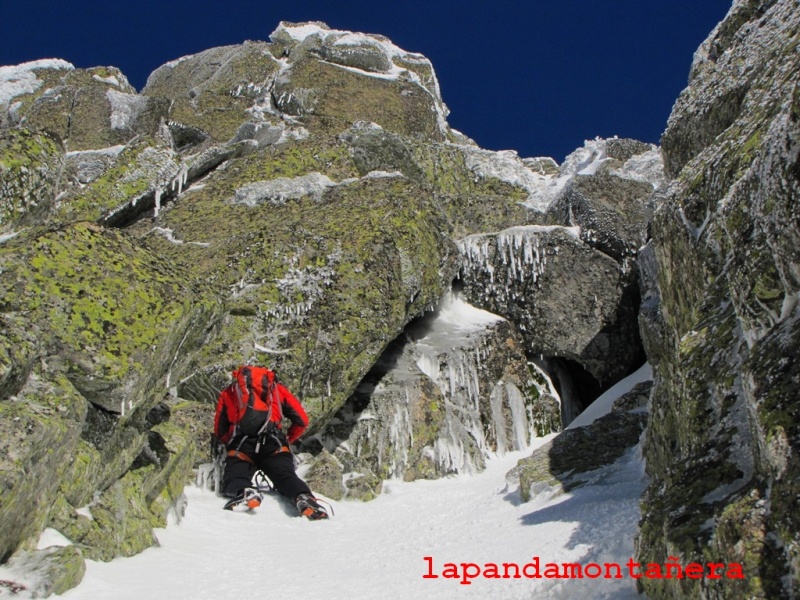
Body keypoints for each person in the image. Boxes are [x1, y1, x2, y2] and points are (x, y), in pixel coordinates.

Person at [213, 365, 329, 520]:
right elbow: (302, 420)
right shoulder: (277, 390)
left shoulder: (230, 392)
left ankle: (246, 491)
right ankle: (303, 497)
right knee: (286, 477)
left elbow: (220, 430)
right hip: (274, 444)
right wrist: (288, 439)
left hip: (242, 445)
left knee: (235, 478)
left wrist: (232, 444)